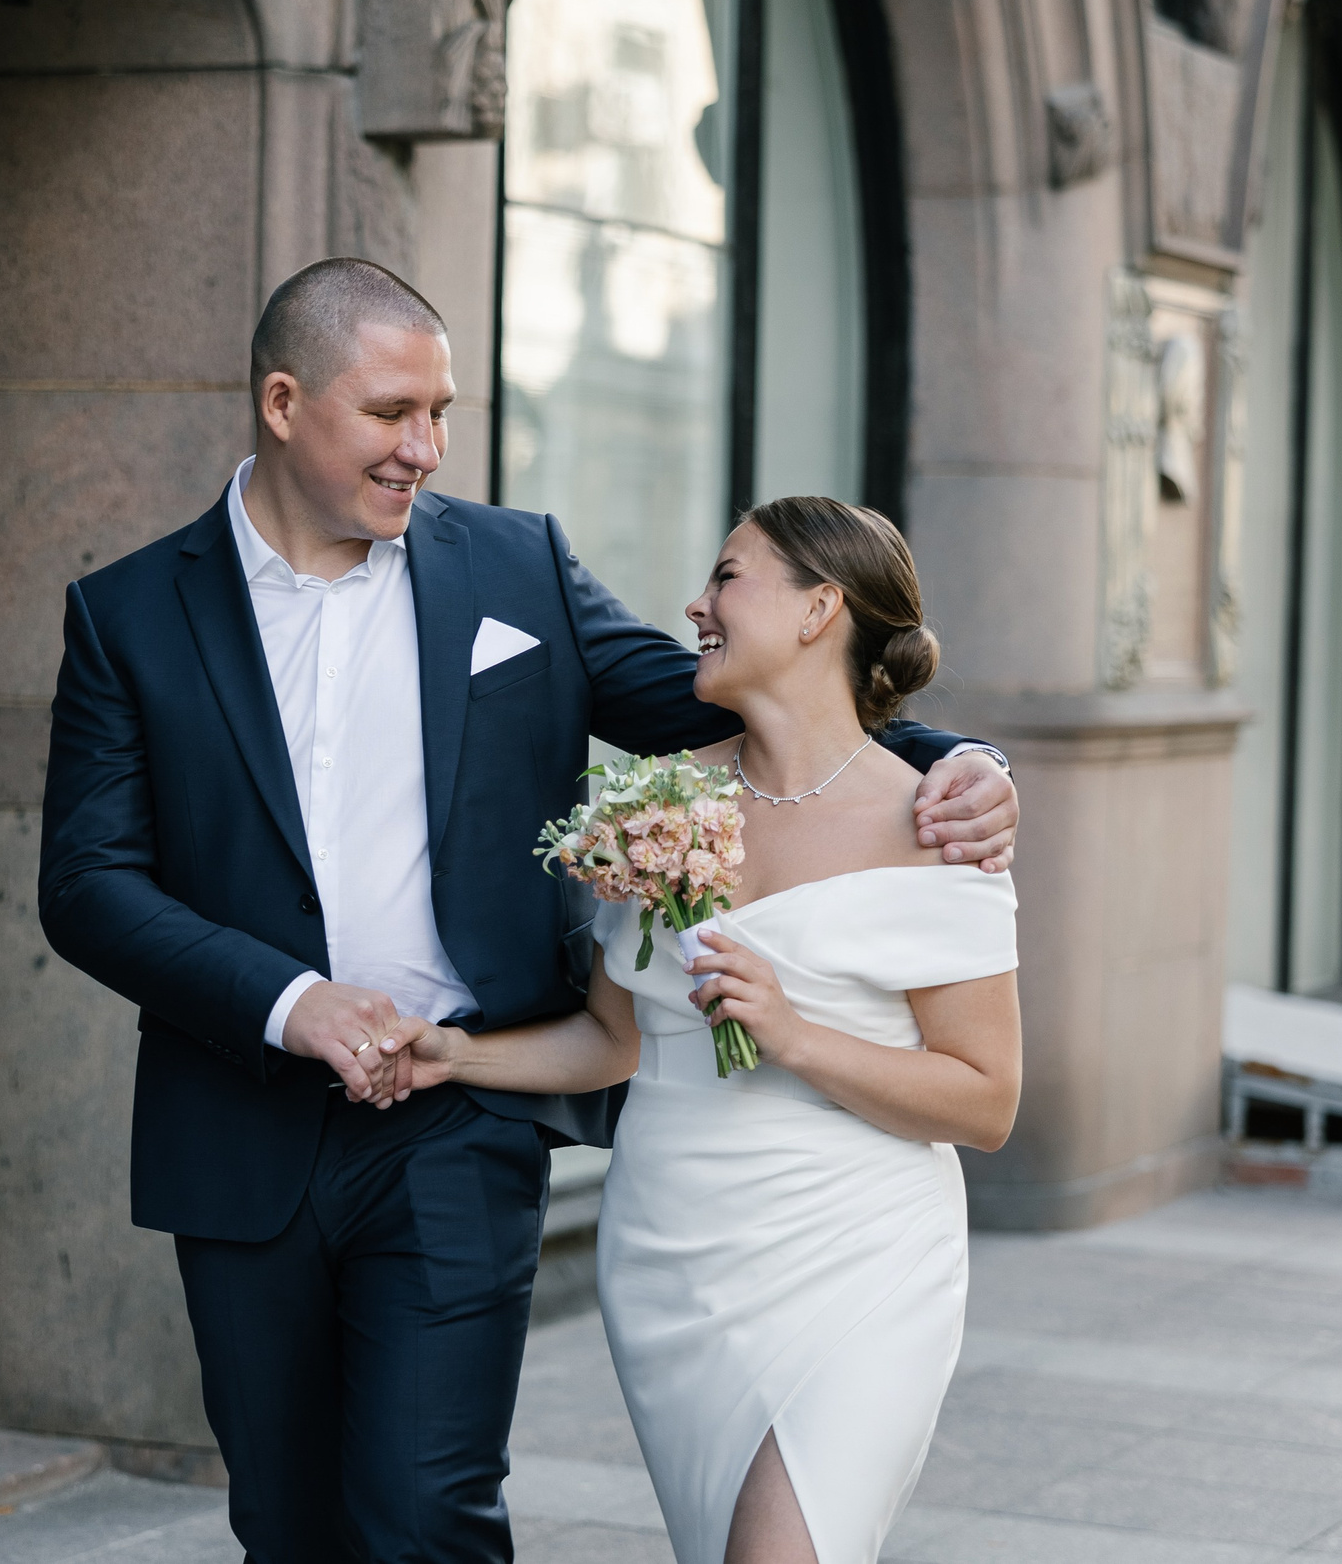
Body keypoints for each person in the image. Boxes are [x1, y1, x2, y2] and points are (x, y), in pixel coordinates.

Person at [36, 257, 1019, 1563]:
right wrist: (292, 1004)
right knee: (286, 1516)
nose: (426, 447)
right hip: (242, 1120)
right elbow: (90, 883)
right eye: (393, 413)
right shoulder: (130, 614)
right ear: (282, 401)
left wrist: (962, 761)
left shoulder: (516, 566)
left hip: (461, 1118)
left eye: (441, 411)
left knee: (430, 1508)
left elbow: (742, 700)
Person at [391, 495, 1021, 1564]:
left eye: (729, 576)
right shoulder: (653, 810)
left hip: (859, 1255)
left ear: (820, 608)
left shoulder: (933, 823)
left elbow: (987, 1101)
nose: (696, 603)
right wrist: (457, 1055)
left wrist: (793, 1033)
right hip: (677, 1257)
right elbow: (612, 1041)